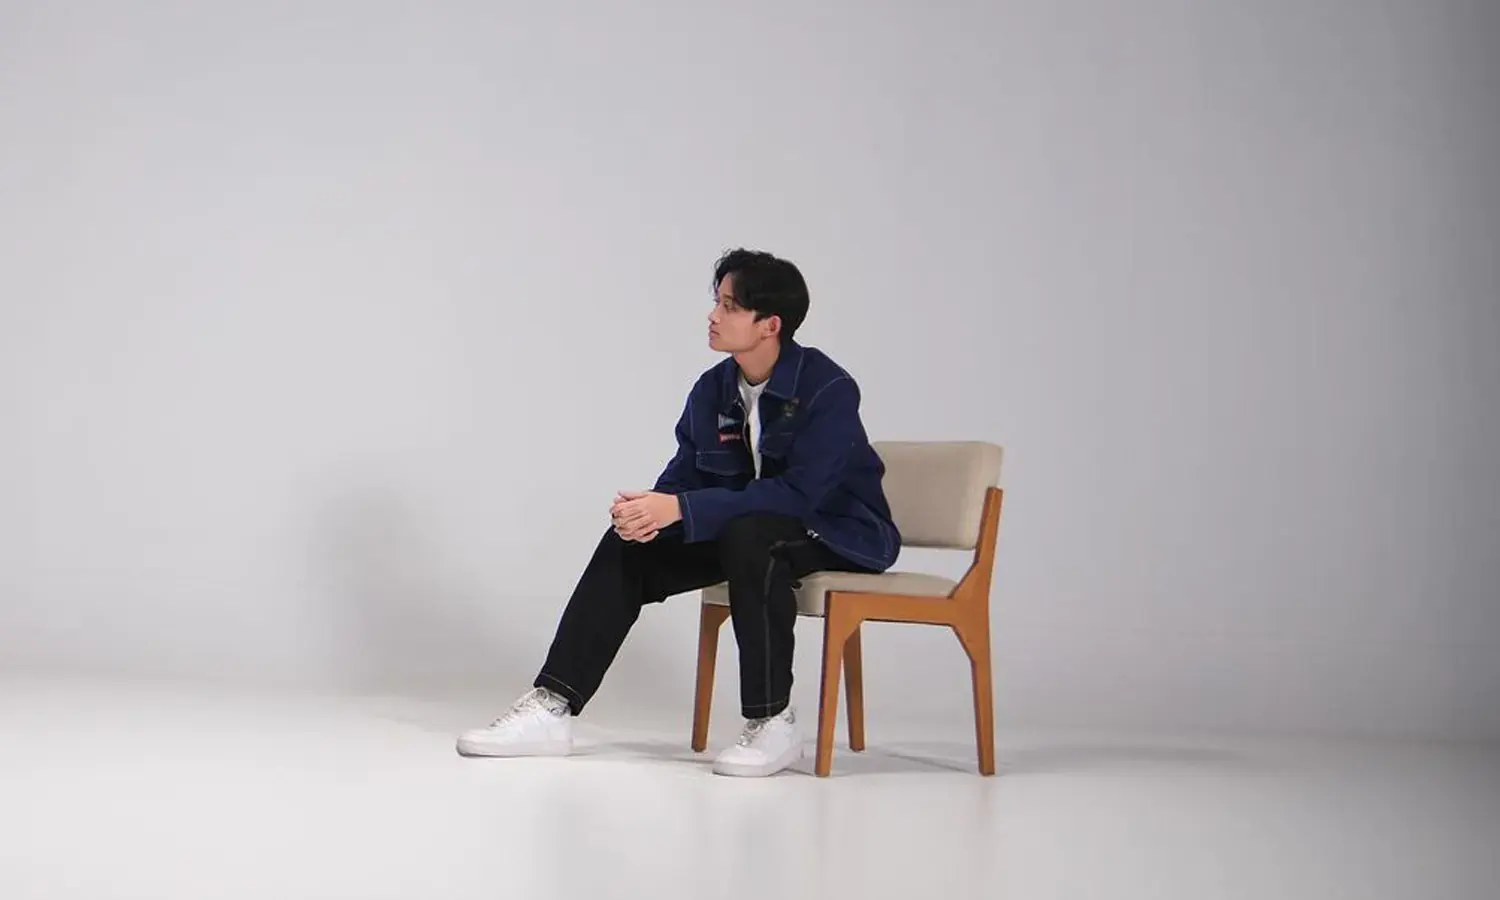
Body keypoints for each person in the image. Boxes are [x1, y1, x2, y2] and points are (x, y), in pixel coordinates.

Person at [456, 248, 901, 777]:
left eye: (730, 306)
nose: (713, 316)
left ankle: (773, 721)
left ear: (770, 324)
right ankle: (554, 705)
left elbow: (796, 498)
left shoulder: (827, 388)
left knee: (752, 537)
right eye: (717, 302)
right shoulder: (714, 388)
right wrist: (648, 512)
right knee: (634, 543)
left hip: (836, 534)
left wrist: (681, 508)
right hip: (745, 532)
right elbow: (685, 474)